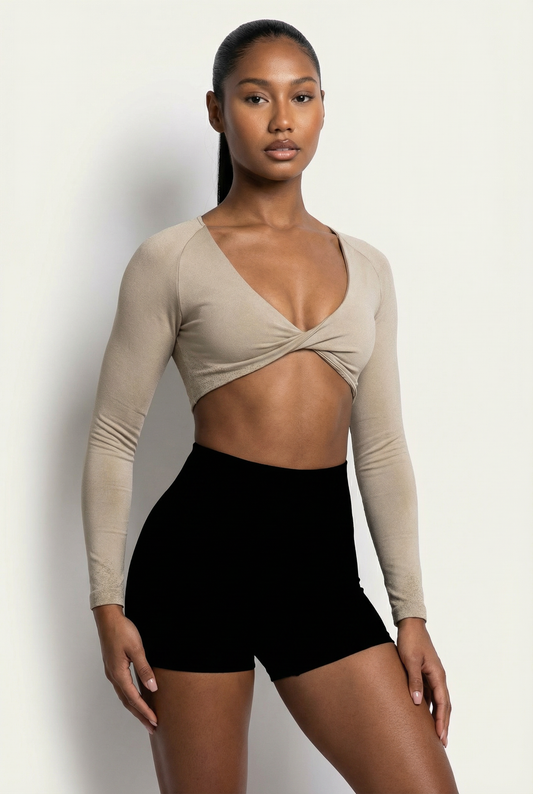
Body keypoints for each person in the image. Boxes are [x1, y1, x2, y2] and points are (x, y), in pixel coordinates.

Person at [82, 18, 459, 794]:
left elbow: (380, 449)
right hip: (195, 566)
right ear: (217, 111)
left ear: (322, 107)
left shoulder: (368, 268)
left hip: (318, 575)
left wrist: (410, 613)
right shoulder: (170, 259)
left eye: (302, 97)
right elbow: (114, 436)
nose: (282, 119)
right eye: (256, 98)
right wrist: (106, 604)